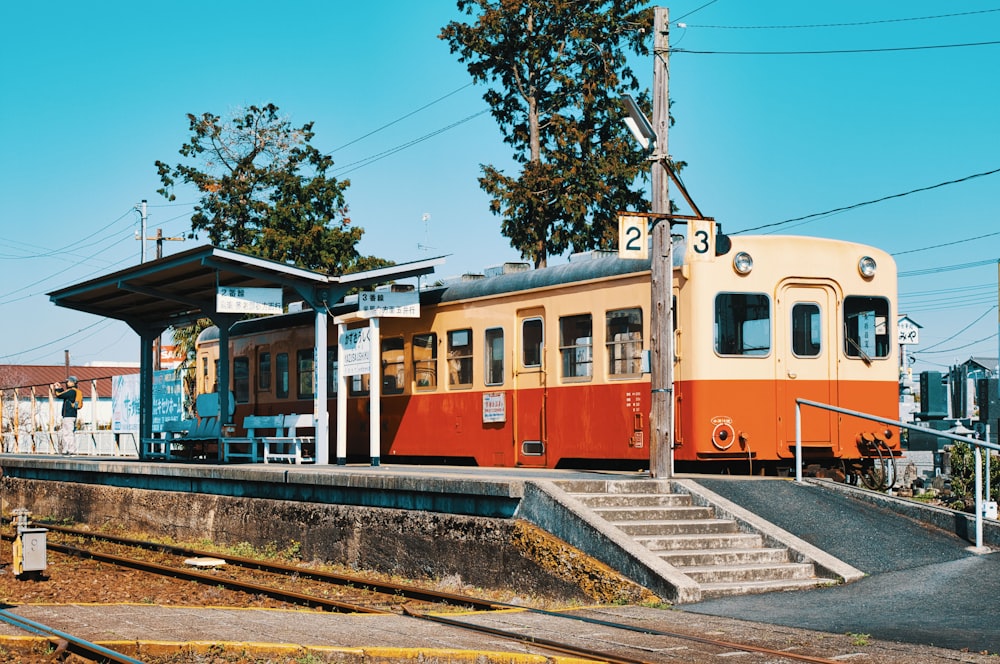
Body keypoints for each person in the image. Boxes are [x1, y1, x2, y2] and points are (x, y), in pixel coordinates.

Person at [53, 376, 83, 454]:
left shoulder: (71, 391)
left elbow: (59, 395)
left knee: (68, 433)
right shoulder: (74, 392)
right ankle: (67, 449)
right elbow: (64, 394)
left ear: (73, 382)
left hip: (68, 416)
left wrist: (56, 388)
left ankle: (70, 450)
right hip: (72, 415)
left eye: (68, 381)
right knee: (68, 432)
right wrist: (60, 388)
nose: (67, 383)